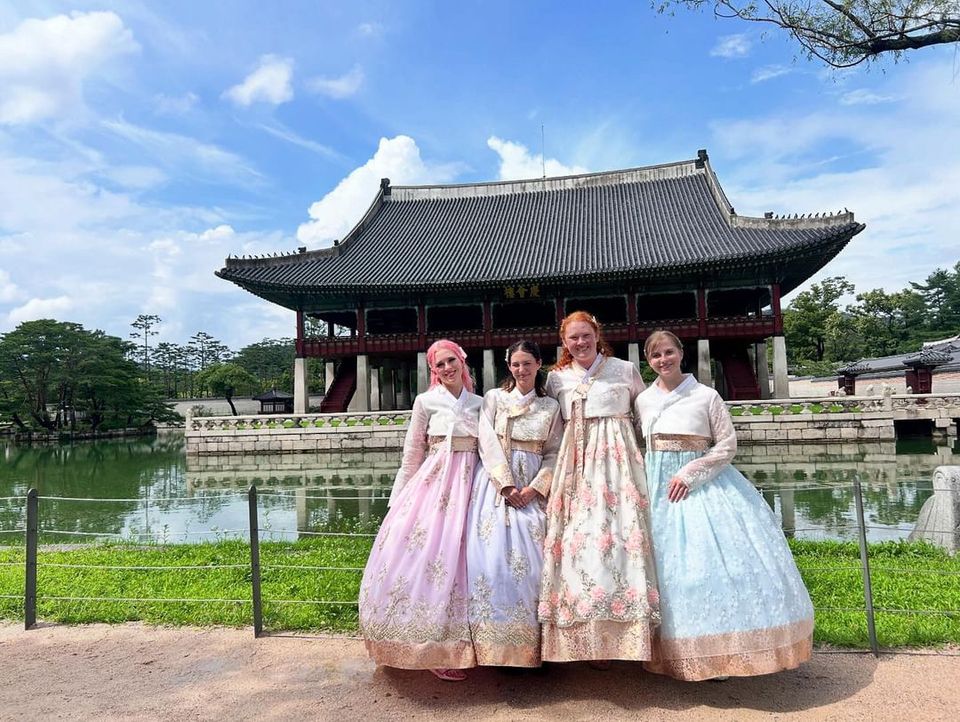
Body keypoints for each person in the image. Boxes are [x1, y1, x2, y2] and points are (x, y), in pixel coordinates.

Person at [635, 330, 814, 681]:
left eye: (669, 352)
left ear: (681, 352)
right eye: (656, 356)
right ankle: (668, 650)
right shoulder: (643, 400)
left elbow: (726, 444)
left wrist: (689, 474)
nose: (663, 361)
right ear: (648, 361)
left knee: (707, 568)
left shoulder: (706, 395)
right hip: (656, 487)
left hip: (698, 485)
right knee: (666, 573)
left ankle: (720, 654)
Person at [538, 311, 660, 663]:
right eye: (573, 338)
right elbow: (551, 426)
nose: (580, 343)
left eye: (585, 335)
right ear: (564, 343)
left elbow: (645, 416)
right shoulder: (557, 378)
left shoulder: (624, 370)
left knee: (624, 538)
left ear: (597, 334)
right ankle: (583, 632)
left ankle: (629, 635)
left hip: (619, 463)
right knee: (579, 543)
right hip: (574, 465)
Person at [358, 340, 482, 682]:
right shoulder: (425, 402)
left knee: (469, 563)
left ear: (462, 361)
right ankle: (427, 646)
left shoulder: (481, 404)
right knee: (429, 561)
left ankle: (470, 643)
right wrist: (397, 501)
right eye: (439, 364)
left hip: (472, 484)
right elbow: (412, 454)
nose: (446, 368)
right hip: (435, 487)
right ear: (434, 371)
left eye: (451, 361)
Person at [466, 340, 563, 667]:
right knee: (491, 562)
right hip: (495, 487)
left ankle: (533, 648)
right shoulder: (494, 399)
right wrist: (506, 484)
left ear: (539, 364)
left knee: (535, 561)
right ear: (509, 366)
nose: (522, 370)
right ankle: (493, 648)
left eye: (527, 363)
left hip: (533, 484)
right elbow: (486, 442)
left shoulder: (550, 407)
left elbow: (554, 452)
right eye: (516, 364)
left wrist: (534, 489)